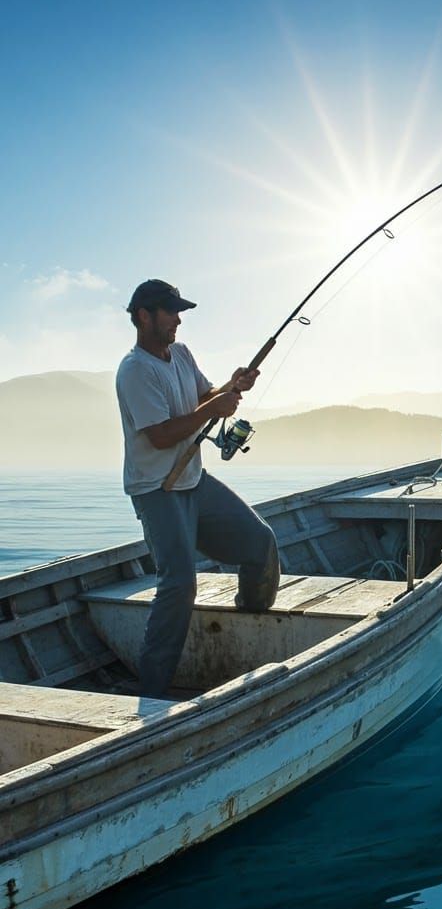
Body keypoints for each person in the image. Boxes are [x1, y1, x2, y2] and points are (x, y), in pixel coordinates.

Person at [116, 279, 280, 697]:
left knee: (261, 542)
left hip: (194, 481)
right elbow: (161, 435)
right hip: (157, 490)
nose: (178, 319)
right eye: (171, 311)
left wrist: (232, 386)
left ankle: (251, 623)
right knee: (179, 583)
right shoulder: (135, 370)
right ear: (143, 316)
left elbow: (204, 395)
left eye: (179, 311)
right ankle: (152, 693)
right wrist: (214, 406)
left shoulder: (182, 355)